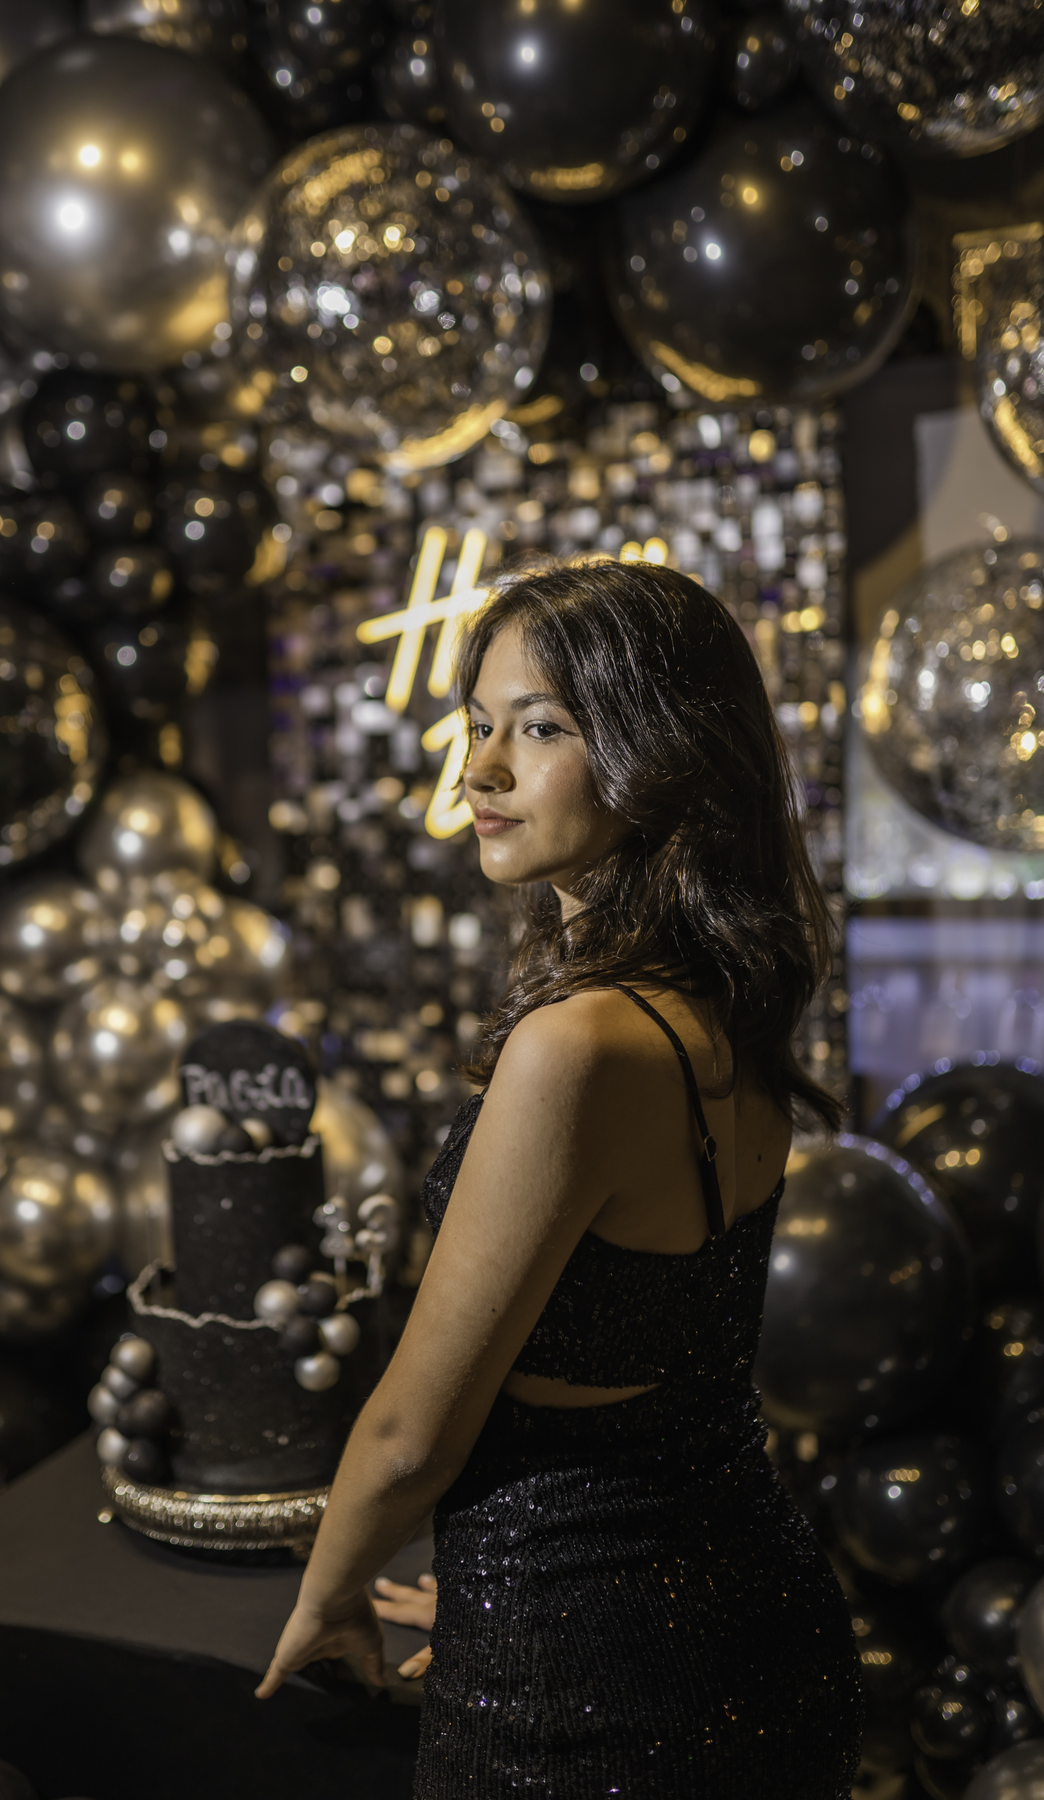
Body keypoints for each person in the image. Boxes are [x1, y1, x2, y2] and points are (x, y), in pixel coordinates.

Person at [257, 559, 862, 1797]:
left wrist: (328, 1599)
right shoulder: (726, 1004)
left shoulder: (578, 1046)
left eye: (539, 728)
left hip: (592, 1675)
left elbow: (411, 1435)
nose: (480, 769)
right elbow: (670, 1374)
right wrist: (489, 1578)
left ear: (663, 753)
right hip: (749, 1615)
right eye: (477, 725)